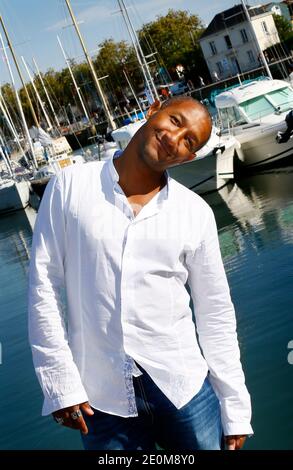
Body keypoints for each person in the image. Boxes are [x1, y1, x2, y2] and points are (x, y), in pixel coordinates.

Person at [28, 96, 253, 451]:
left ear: (188, 158)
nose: (174, 138)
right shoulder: (69, 186)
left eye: (188, 142)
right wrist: (59, 383)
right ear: (155, 109)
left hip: (185, 391)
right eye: (176, 121)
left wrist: (235, 406)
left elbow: (216, 314)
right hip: (101, 399)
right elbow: (44, 285)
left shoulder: (194, 213)